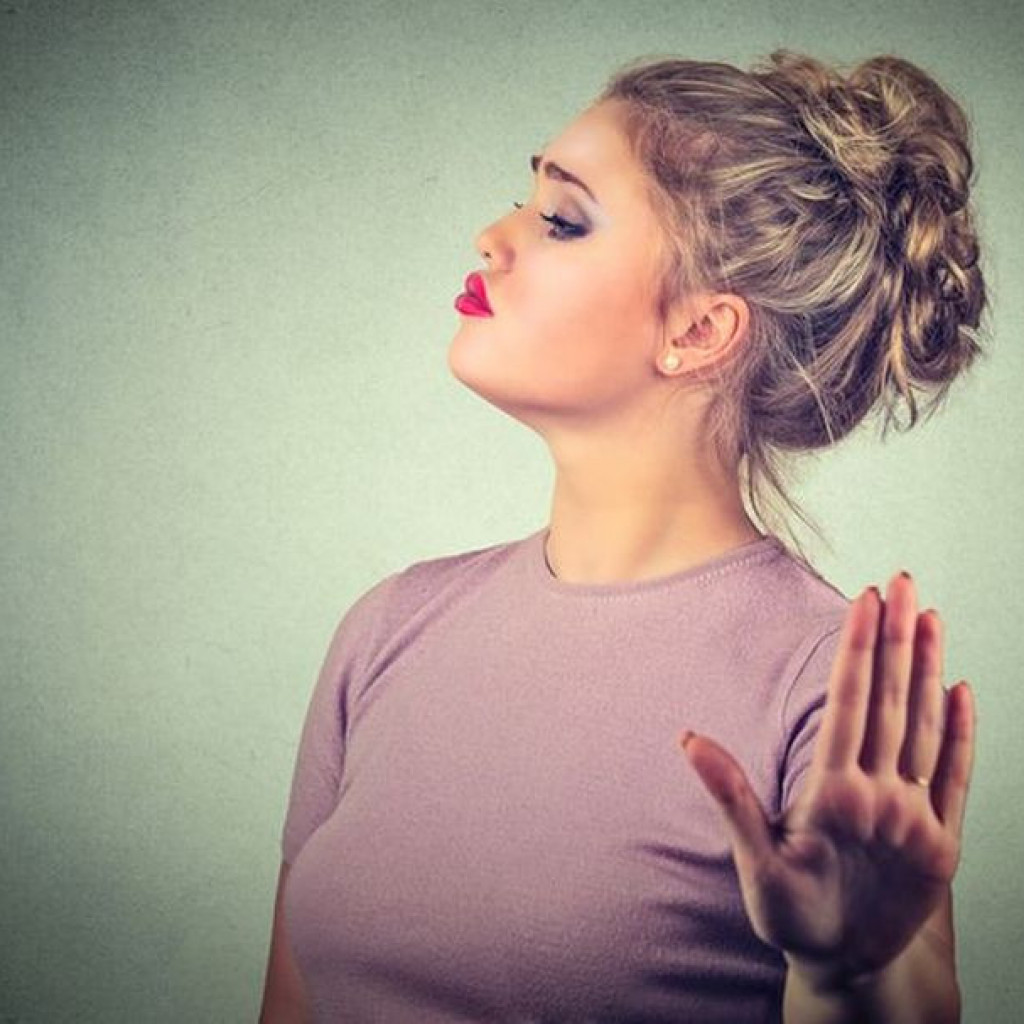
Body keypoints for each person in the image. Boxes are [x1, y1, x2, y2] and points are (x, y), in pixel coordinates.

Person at [259, 49, 985, 1023]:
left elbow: (889, 991)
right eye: (521, 201)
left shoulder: (828, 688)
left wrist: (854, 978)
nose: (490, 239)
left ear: (698, 331)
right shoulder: (388, 628)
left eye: (561, 220)